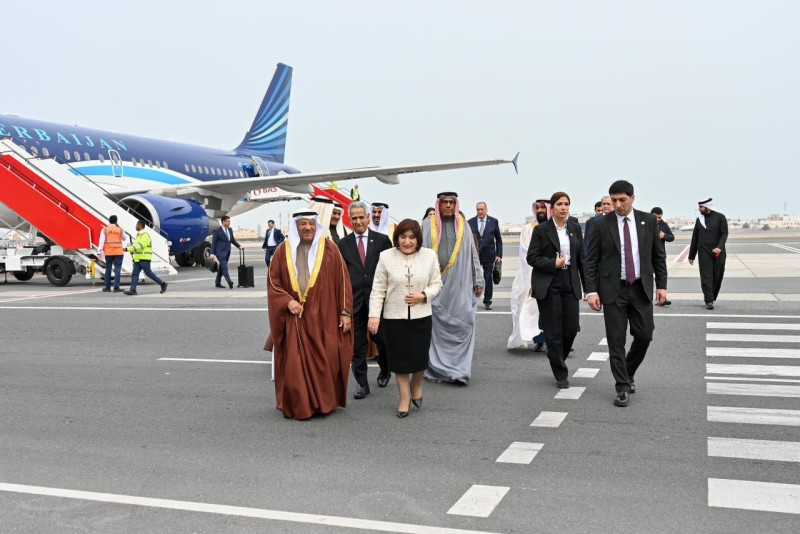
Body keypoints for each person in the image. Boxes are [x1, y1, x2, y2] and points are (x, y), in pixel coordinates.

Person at [585, 180, 668, 407]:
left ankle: (628, 370)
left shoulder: (648, 220)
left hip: (640, 288)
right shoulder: (601, 224)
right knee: (616, 341)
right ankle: (622, 386)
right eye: (614, 200)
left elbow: (658, 256)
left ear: (633, 198)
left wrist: (661, 285)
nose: (618, 205)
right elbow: (590, 260)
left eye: (622, 200)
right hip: (613, 290)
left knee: (645, 335)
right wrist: (591, 291)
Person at [267, 211, 354, 420]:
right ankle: (301, 406)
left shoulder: (330, 249)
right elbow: (273, 282)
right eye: (303, 224)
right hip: (295, 318)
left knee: (328, 359)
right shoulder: (282, 251)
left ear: (317, 226)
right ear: (296, 227)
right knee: (295, 365)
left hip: (325, 316)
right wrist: (287, 301)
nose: (308, 228)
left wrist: (345, 312)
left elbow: (343, 281)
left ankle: (324, 403)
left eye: (311, 224)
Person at [369, 219, 443, 418]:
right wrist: (374, 316)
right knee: (399, 360)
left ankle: (416, 384)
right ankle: (404, 397)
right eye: (403, 237)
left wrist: (424, 295)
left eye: (412, 237)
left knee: (420, 358)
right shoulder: (386, 257)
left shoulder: (429, 255)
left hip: (421, 317)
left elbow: (437, 283)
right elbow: (378, 289)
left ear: (418, 239)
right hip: (394, 318)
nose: (407, 242)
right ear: (397, 238)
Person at [421, 191, 483, 385]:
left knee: (464, 323)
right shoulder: (426, 225)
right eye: (444, 202)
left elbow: (473, 254)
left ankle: (460, 370)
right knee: (436, 329)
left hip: (459, 285)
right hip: (434, 286)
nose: (448, 205)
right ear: (438, 205)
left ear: (456, 205)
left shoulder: (464, 225)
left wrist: (478, 279)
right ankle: (438, 369)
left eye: (451, 202)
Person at [527, 192, 585, 388]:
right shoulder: (541, 230)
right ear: (552, 208)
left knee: (571, 328)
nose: (563, 207)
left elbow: (582, 259)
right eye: (559, 204)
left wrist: (590, 288)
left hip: (570, 280)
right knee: (553, 331)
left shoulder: (575, 227)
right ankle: (561, 373)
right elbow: (532, 258)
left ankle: (556, 356)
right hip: (549, 282)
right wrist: (553, 263)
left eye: (566, 204)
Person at [338, 200, 393, 399]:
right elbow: (341, 275)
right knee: (357, 346)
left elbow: (390, 270)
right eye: (354, 218)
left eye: (362, 217)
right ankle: (362, 383)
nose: (358, 221)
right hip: (355, 303)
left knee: (383, 341)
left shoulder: (382, 241)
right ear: (349, 220)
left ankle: (385, 370)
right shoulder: (342, 244)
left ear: (368, 218)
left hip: (378, 302)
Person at [507, 199, 551, 349]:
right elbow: (525, 251)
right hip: (531, 273)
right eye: (537, 208)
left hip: (553, 272)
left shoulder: (556, 227)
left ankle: (556, 340)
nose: (540, 211)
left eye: (543, 207)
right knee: (532, 306)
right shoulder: (528, 229)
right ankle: (540, 340)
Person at [688, 198, 728, 310]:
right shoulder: (699, 220)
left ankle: (712, 296)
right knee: (706, 276)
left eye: (701, 207)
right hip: (704, 252)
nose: (699, 209)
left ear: (707, 207)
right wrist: (691, 255)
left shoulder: (720, 217)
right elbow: (695, 238)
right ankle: (709, 300)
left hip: (718, 252)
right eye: (699, 207)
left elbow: (724, 234)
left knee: (717, 274)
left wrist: (719, 247)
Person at [468, 202, 503, 310]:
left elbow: (498, 240)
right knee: (473, 278)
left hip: (489, 255)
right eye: (478, 209)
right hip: (475, 255)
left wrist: (499, 254)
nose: (480, 211)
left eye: (482, 209)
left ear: (486, 209)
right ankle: (472, 299)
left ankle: (487, 301)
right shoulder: (470, 222)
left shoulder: (493, 221)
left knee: (488, 278)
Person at [124, 220, 168, 295]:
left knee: (148, 273)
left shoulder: (145, 235)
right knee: (134, 274)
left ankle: (163, 284)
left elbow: (139, 247)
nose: (135, 226)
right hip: (138, 259)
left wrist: (127, 249)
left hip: (144, 258)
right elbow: (137, 247)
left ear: (140, 225)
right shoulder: (139, 235)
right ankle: (133, 290)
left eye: (136, 225)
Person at [210, 215, 243, 289]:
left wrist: (239, 246)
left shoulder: (230, 229)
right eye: (227, 221)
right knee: (224, 267)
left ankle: (217, 282)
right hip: (220, 252)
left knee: (221, 268)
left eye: (229, 221)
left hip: (227, 251)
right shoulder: (217, 230)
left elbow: (232, 240)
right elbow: (214, 243)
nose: (229, 222)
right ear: (223, 222)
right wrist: (212, 253)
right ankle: (229, 281)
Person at [650, 207, 674, 306]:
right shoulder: (646, 223)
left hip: (660, 255)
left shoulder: (664, 225)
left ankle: (662, 298)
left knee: (661, 276)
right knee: (647, 276)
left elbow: (672, 237)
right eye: (655, 217)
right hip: (647, 255)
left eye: (659, 217)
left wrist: (664, 236)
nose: (657, 219)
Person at [99, 214, 125, 293]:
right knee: (117, 269)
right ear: (116, 221)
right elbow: (124, 238)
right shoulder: (120, 229)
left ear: (109, 221)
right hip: (118, 252)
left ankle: (107, 287)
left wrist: (99, 252)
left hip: (109, 252)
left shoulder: (104, 230)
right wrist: (119, 227)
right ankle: (116, 287)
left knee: (108, 269)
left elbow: (101, 242)